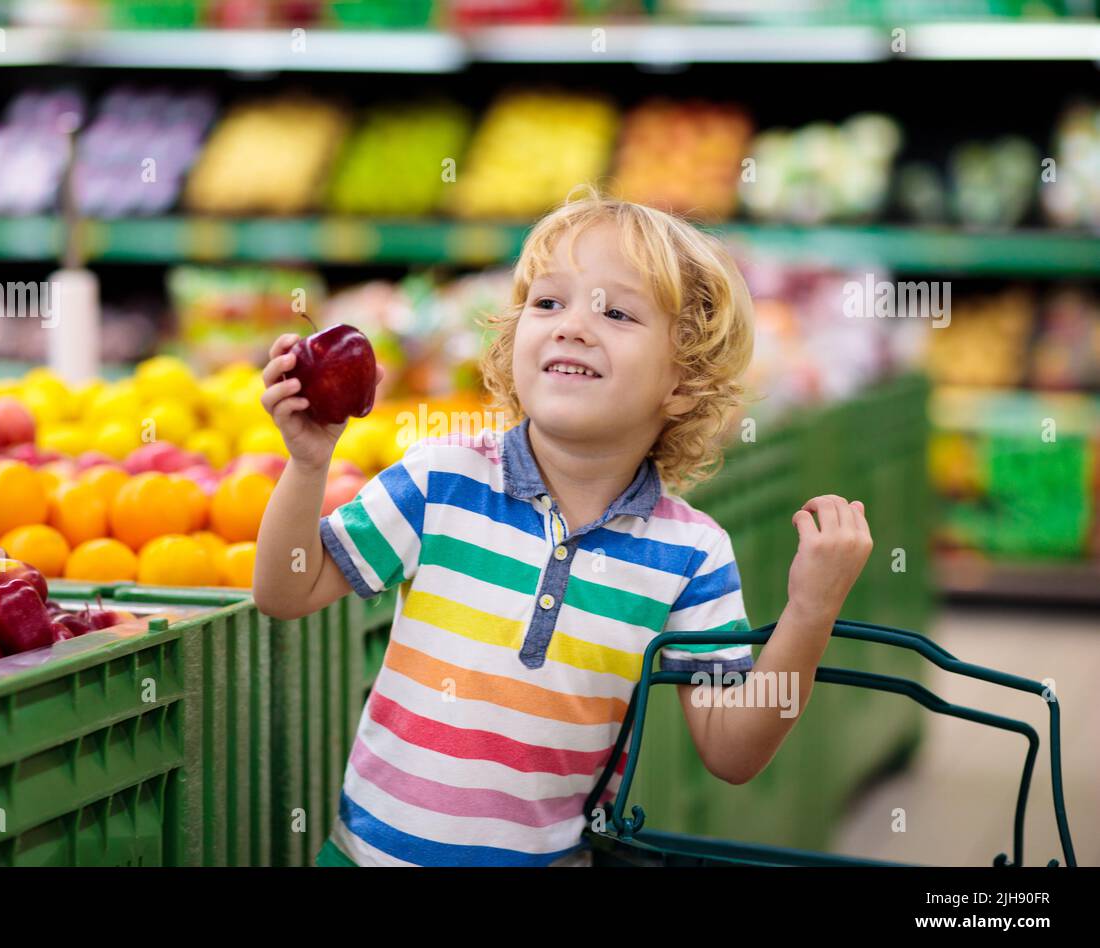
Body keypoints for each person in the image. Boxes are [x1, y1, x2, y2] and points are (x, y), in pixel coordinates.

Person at [252, 186, 874, 867]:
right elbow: (287, 592)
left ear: (682, 383)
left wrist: (811, 610)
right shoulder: (441, 480)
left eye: (616, 312)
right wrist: (308, 465)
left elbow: (731, 751)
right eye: (548, 303)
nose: (572, 325)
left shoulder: (691, 555)